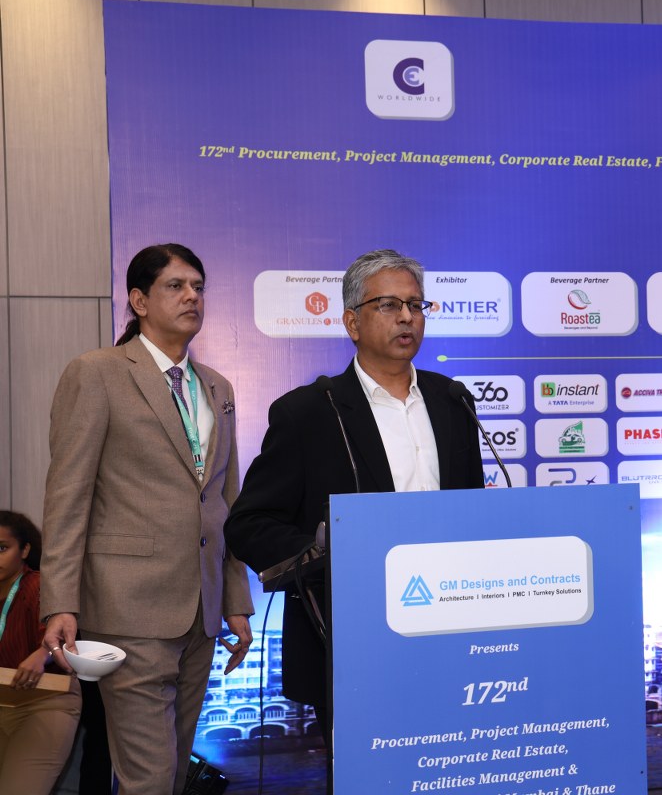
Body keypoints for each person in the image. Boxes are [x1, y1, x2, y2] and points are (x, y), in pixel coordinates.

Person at [225, 249, 484, 737]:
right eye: (388, 305)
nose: (407, 317)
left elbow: (473, 509)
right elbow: (249, 524)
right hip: (349, 637)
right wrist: (326, 552)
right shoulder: (309, 413)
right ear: (352, 322)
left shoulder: (453, 400)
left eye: (416, 305)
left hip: (450, 629)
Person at [40, 243, 254, 795]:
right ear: (138, 300)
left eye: (198, 287)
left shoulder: (218, 387)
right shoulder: (97, 373)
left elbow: (224, 501)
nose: (192, 297)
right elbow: (68, 495)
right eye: (175, 286)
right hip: (126, 607)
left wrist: (234, 599)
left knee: (174, 772)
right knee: (150, 777)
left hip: (202, 611)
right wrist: (60, 601)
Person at [0, 512, 81, 795]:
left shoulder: (39, 585)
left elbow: (61, 636)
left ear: (25, 550)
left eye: (2, 548)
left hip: (45, 701)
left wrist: (43, 653)